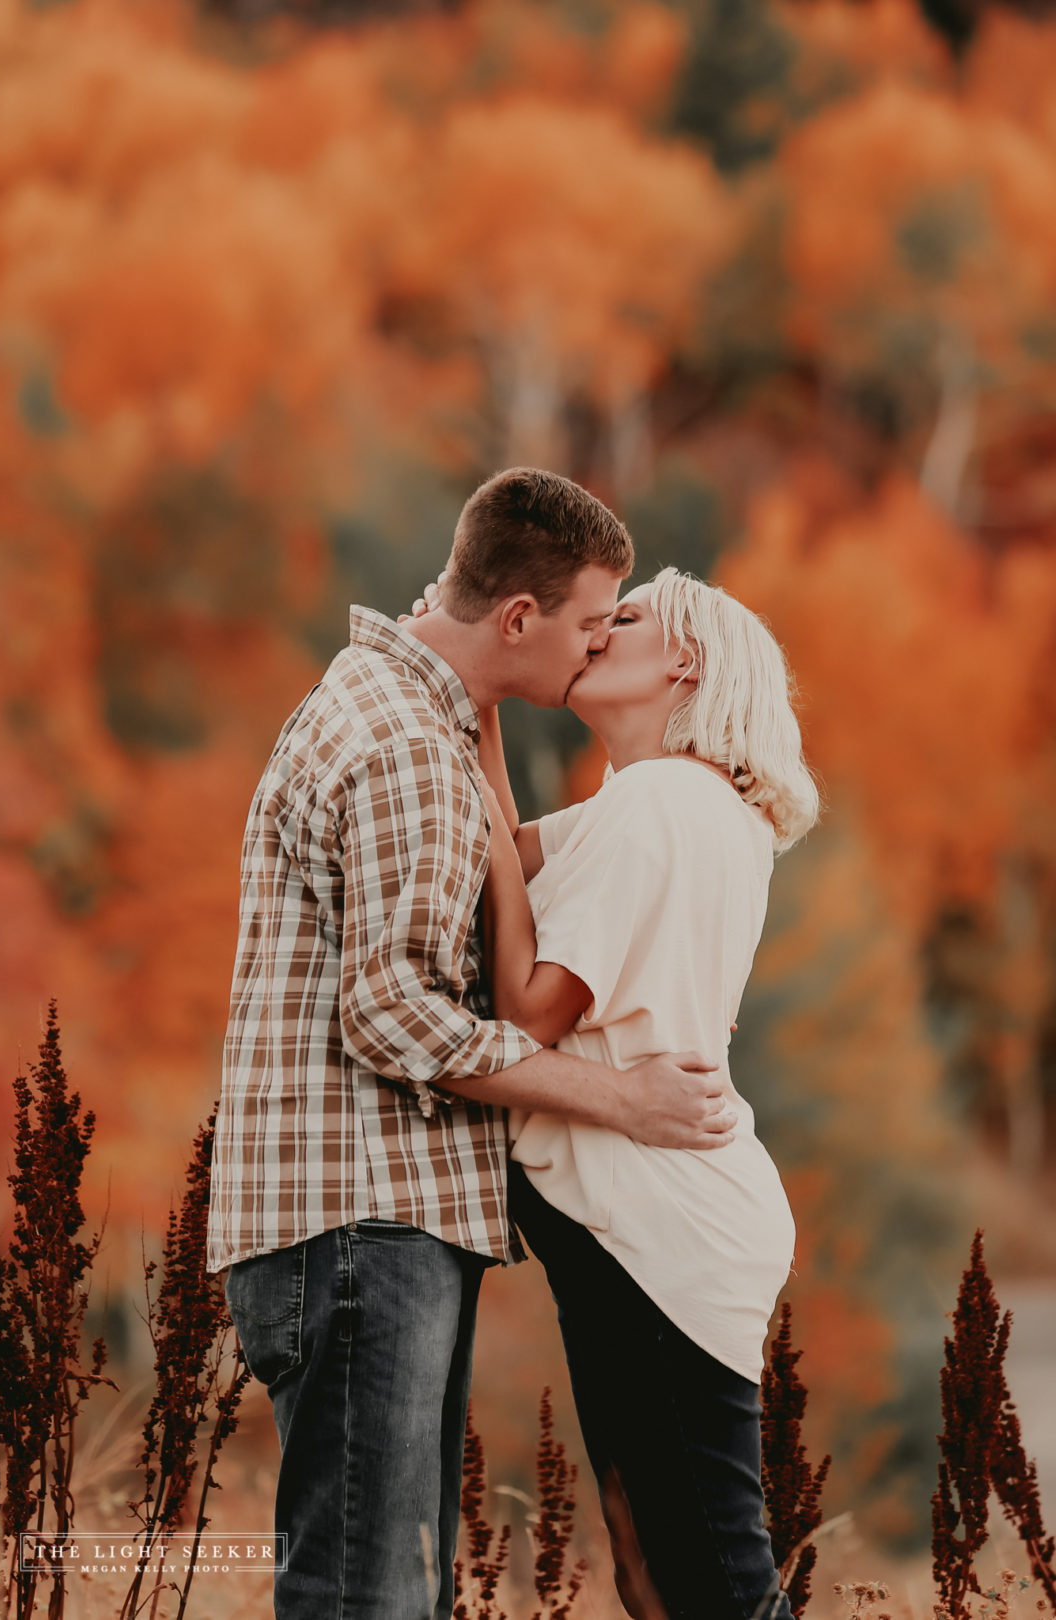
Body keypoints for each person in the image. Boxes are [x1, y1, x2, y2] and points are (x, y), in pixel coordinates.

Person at [205, 470, 738, 1620]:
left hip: (372, 1221)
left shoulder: (417, 718)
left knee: (394, 1590)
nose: (597, 646)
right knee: (372, 1597)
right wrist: (623, 1100)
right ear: (518, 621)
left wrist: (483, 713)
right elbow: (391, 1010)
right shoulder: (403, 743)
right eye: (593, 624)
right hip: (360, 1220)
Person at [472, 566, 821, 1620]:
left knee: (710, 1584)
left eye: (622, 618)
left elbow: (527, 1003)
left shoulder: (664, 805)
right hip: (651, 1217)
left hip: (658, 1224)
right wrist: (479, 688)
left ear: (686, 662)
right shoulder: (663, 802)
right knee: (651, 1574)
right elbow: (496, 853)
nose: (593, 633)